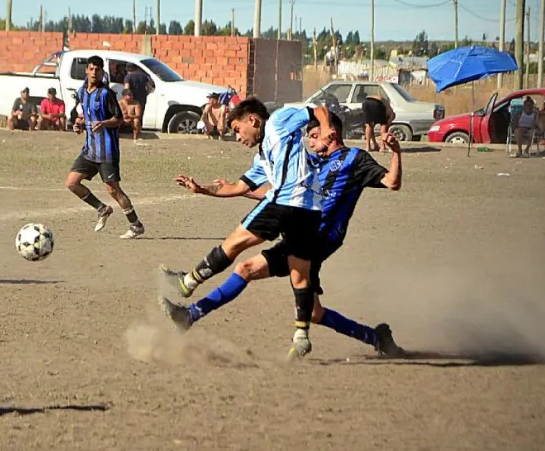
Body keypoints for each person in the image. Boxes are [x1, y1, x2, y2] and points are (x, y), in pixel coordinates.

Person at [160, 112, 405, 358]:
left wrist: (396, 152)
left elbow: (392, 182)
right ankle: (377, 338)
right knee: (311, 311)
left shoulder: (355, 158)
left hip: (321, 238)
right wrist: (220, 190)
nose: (309, 142)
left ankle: (190, 311)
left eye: (313, 136)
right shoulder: (310, 162)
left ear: (330, 134)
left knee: (246, 268)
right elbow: (278, 193)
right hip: (300, 231)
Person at [159, 98, 335, 358]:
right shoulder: (263, 156)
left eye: (237, 129)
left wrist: (326, 128)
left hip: (286, 202)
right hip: (311, 212)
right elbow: (239, 187)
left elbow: (317, 109)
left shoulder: (277, 121)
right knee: (300, 274)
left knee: (234, 242)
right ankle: (301, 336)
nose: (237, 137)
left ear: (252, 120)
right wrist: (202, 189)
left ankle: (187, 283)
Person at [65, 55, 145, 239]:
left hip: (107, 151)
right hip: (89, 149)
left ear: (102, 72)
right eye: (91, 69)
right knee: (72, 183)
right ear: (86, 70)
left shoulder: (106, 94)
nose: (94, 73)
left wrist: (103, 123)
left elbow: (118, 119)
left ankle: (136, 225)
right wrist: (79, 125)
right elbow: (86, 116)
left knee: (112, 189)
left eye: (98, 70)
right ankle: (102, 209)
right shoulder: (82, 92)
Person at [122, 64, 152, 141]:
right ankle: (138, 132)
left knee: (130, 114)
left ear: (128, 70)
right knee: (139, 115)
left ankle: (130, 131)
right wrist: (145, 94)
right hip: (142, 99)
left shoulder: (128, 77)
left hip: (132, 100)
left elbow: (127, 88)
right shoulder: (144, 76)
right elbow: (149, 87)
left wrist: (126, 98)